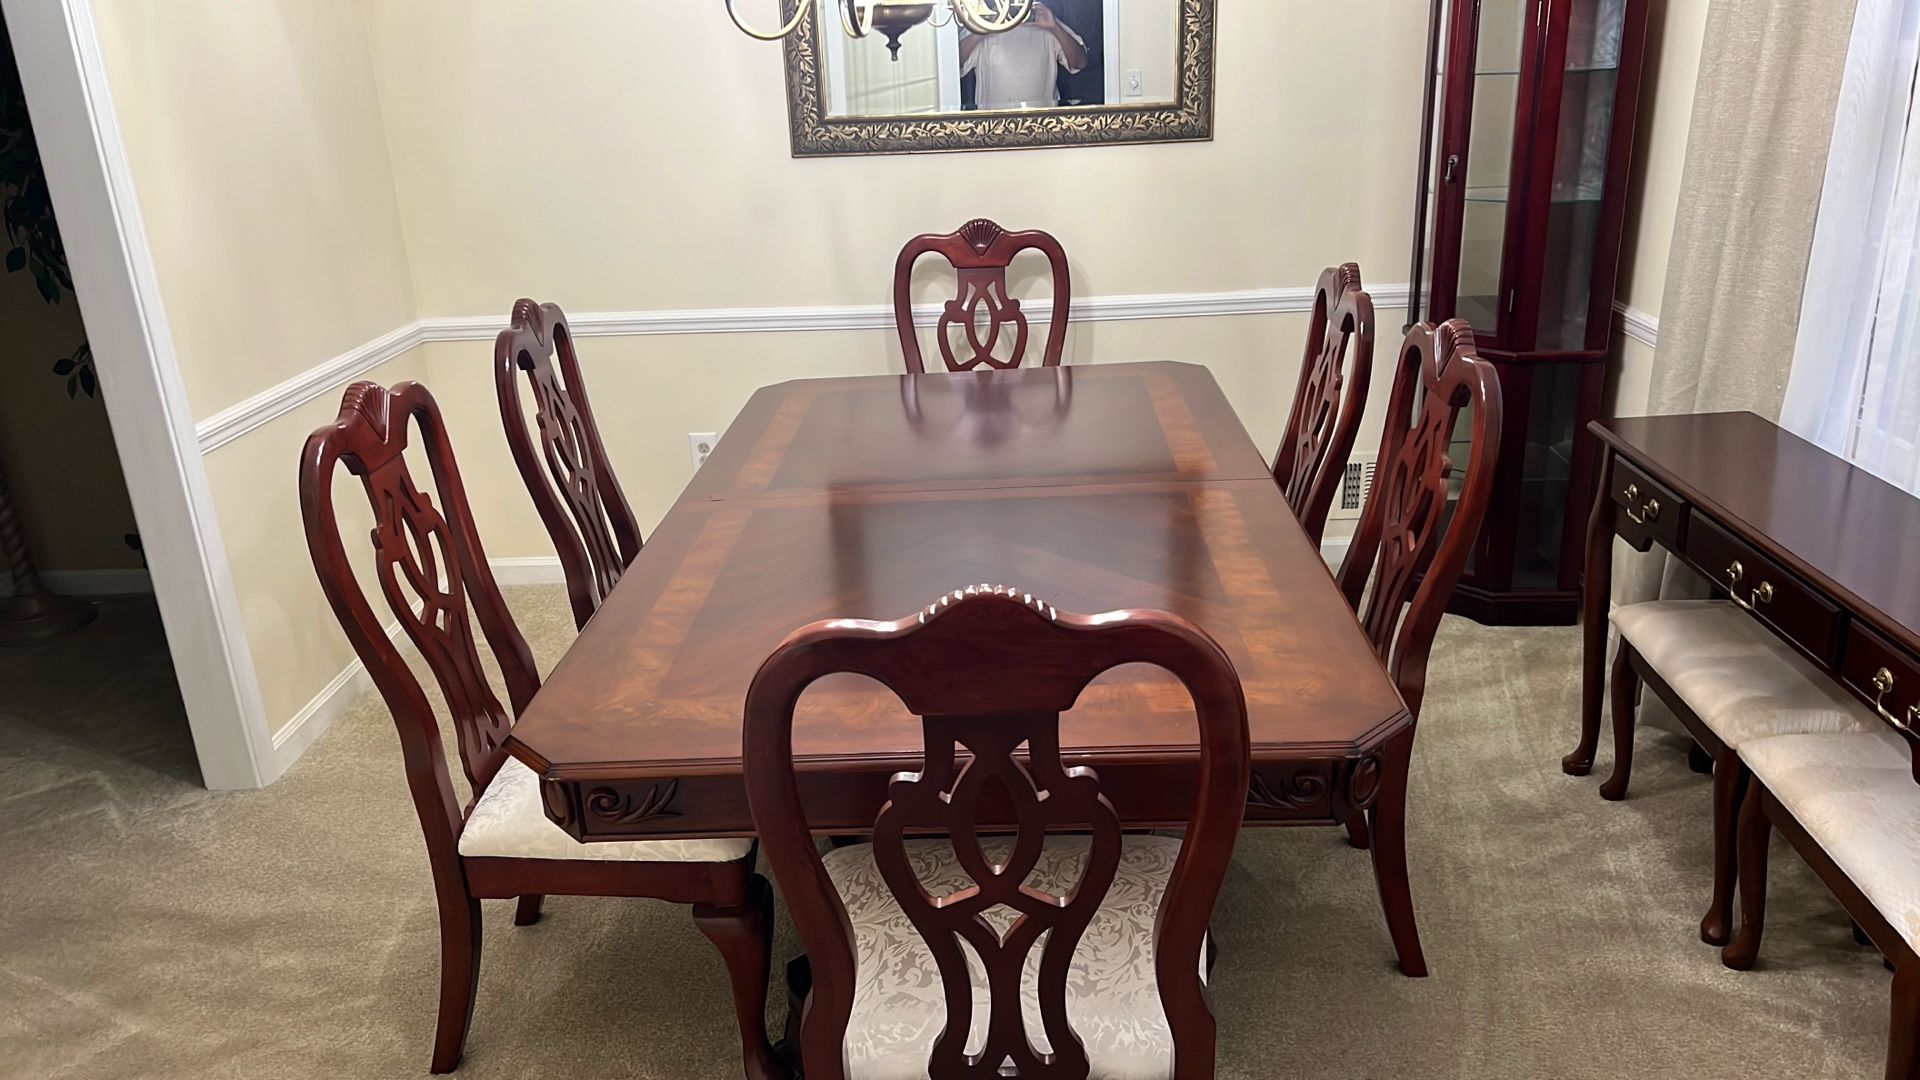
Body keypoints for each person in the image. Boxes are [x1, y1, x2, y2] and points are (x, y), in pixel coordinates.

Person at [958, 3, 1089, 111]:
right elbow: (954, 64)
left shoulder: (1044, 18)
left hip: (1042, 124)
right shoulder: (983, 22)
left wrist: (1055, 28)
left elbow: (1079, 62)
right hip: (994, 125)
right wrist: (983, 31)